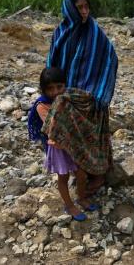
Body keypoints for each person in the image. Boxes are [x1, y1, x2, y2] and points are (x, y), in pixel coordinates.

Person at [42, 0, 118, 213]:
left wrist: (99, 91)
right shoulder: (61, 32)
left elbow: (110, 58)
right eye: (80, 8)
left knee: (94, 136)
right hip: (64, 92)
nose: (84, 12)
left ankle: (98, 175)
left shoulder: (95, 33)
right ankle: (79, 175)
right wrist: (51, 90)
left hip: (90, 96)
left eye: (87, 7)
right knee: (74, 138)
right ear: (69, 10)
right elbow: (52, 62)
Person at [27, 67, 88, 221]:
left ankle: (81, 197)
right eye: (50, 88)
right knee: (63, 176)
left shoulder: (68, 98)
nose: (55, 92)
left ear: (64, 85)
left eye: (59, 87)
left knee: (81, 173)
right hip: (58, 147)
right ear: (43, 90)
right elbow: (53, 128)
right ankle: (69, 205)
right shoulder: (42, 106)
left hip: (73, 144)